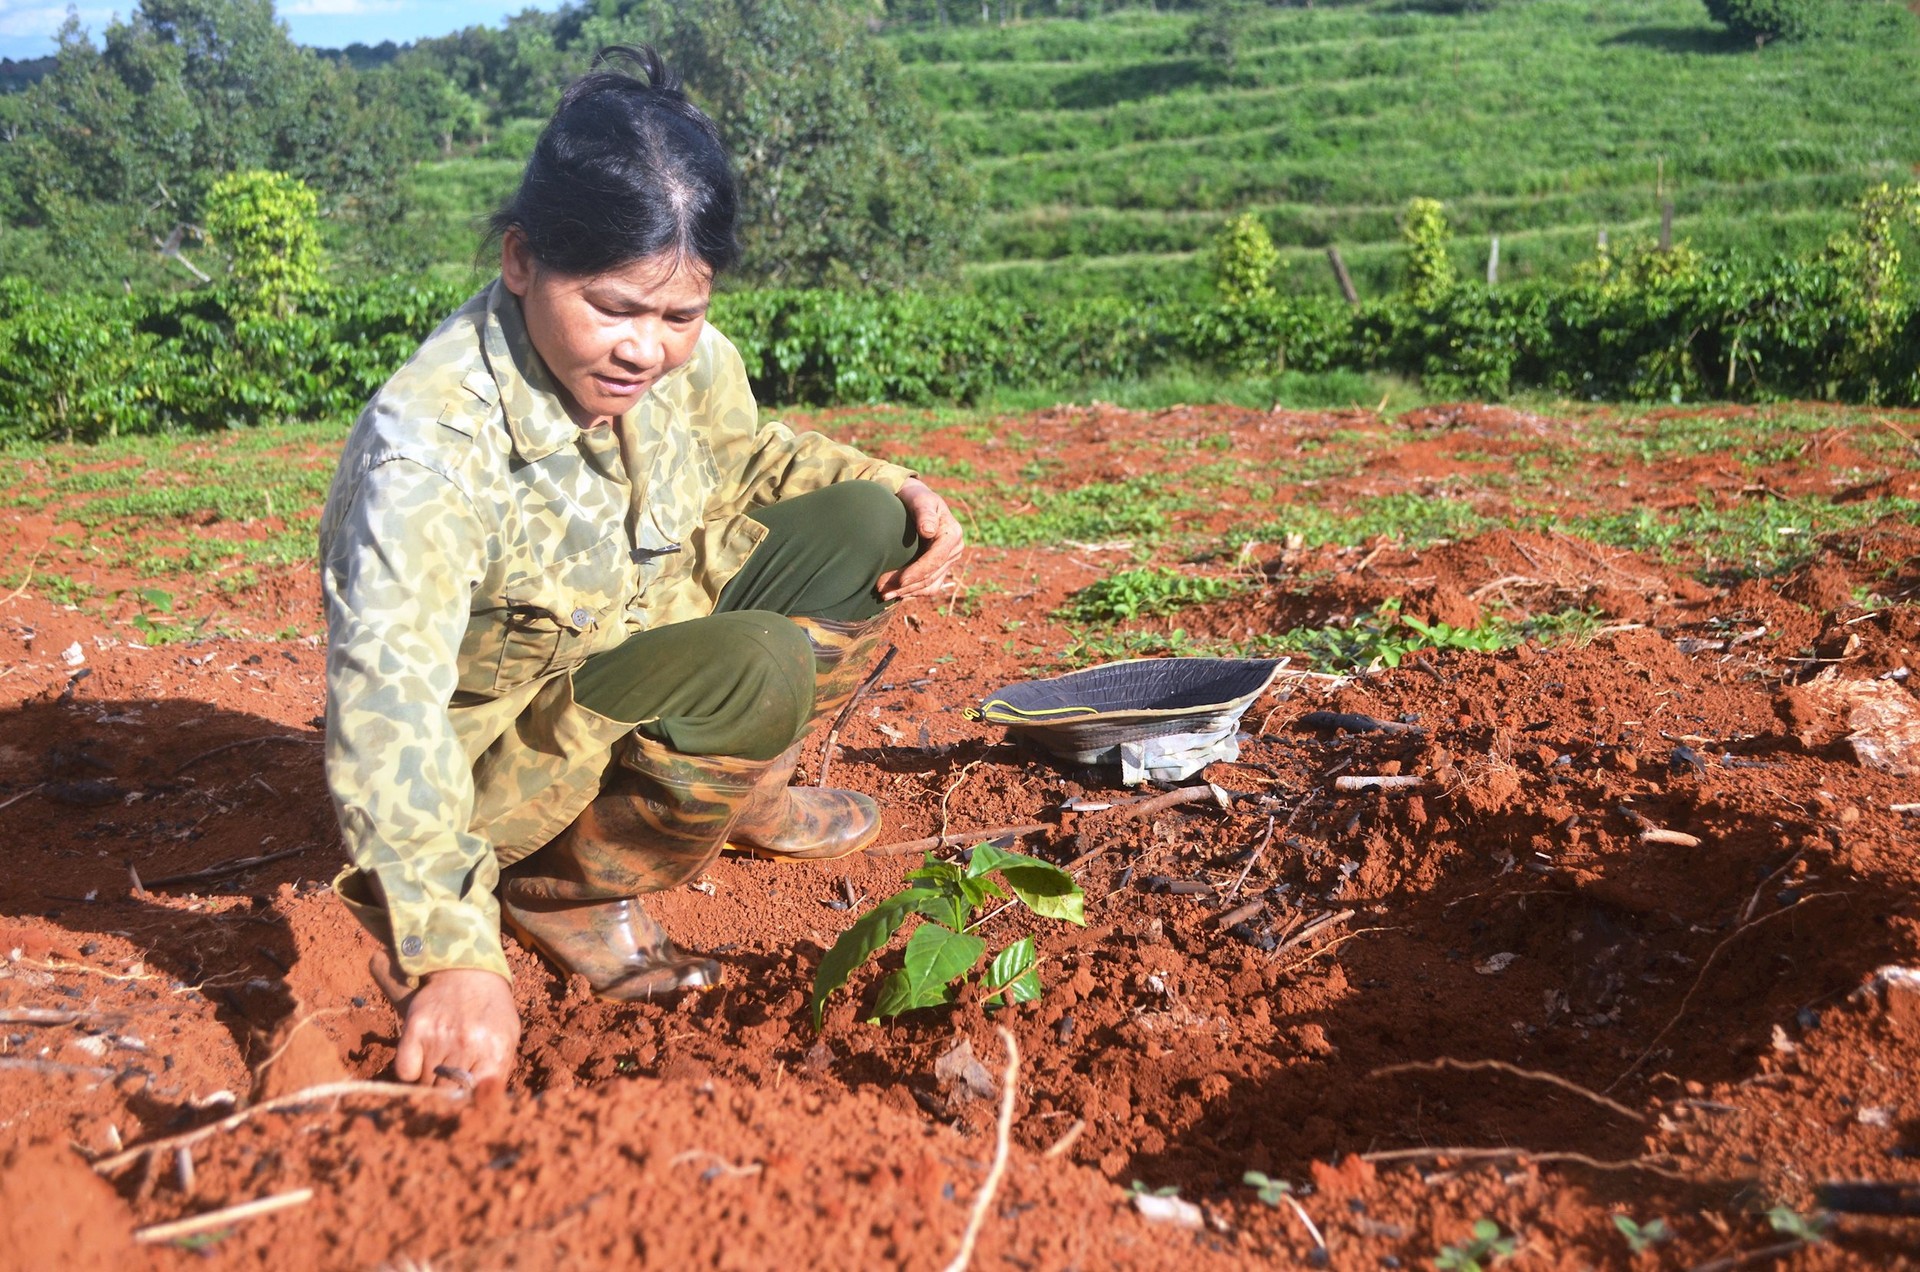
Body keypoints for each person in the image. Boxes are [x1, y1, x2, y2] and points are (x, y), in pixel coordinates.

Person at [317, 46, 962, 1094]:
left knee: (866, 525)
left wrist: (900, 485)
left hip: (627, 643)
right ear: (522, 260)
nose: (643, 350)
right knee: (757, 665)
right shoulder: (428, 453)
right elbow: (385, 706)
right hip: (499, 755)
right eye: (612, 307)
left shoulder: (679, 355)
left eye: (678, 315)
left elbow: (747, 456)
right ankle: (568, 892)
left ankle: (741, 791)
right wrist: (447, 952)